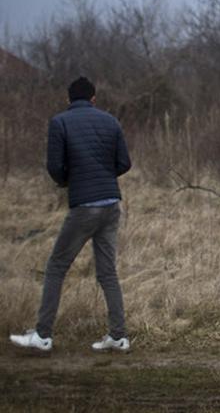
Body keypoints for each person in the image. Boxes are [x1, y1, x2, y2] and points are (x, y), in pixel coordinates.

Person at [10, 77, 132, 354]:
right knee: (107, 272)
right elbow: (125, 162)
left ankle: (42, 335)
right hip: (112, 203)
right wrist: (102, 178)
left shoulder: (59, 122)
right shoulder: (111, 121)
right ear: (94, 98)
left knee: (56, 266)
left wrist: (69, 181)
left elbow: (54, 166)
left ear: (68, 99)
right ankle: (119, 336)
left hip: (84, 206)